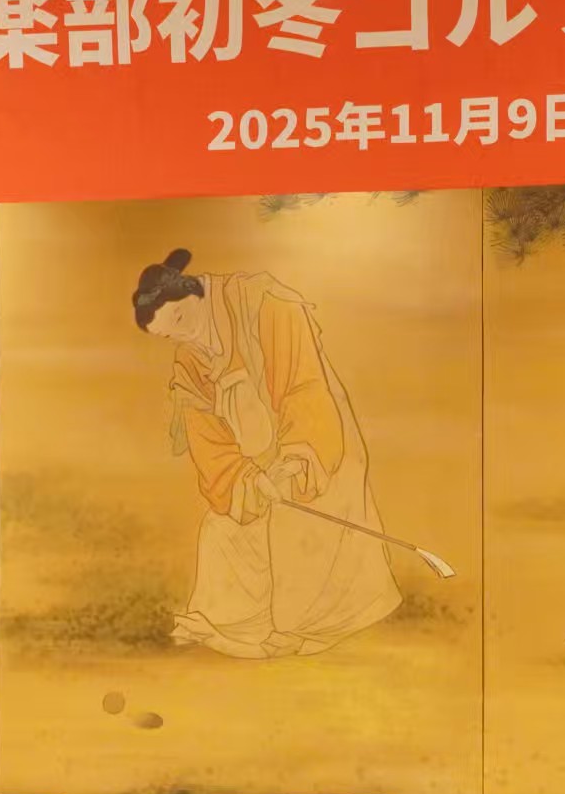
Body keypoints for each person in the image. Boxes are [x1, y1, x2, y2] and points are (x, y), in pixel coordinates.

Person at [133, 249, 401, 658]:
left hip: (315, 447)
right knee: (221, 529)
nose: (184, 338)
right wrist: (248, 480)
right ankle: (232, 622)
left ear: (194, 292)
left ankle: (305, 625)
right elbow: (208, 443)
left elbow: (303, 386)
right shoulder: (189, 360)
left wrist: (295, 459)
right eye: (171, 336)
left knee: (297, 522)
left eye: (182, 320)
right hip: (258, 466)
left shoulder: (264, 304)